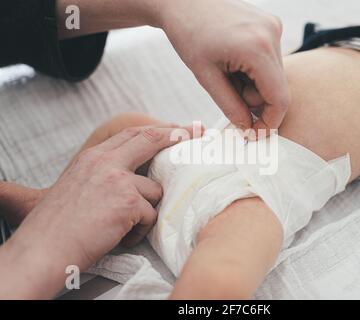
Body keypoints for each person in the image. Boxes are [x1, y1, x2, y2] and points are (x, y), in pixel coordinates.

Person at [7, 0, 360, 299]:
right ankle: (45, 204)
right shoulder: (343, 44)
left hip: (258, 189)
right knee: (126, 129)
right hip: (198, 143)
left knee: (231, 258)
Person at [0, 0, 289, 299]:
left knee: (129, 129)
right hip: (241, 185)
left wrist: (166, 7)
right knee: (226, 263)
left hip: (191, 163)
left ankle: (43, 203)